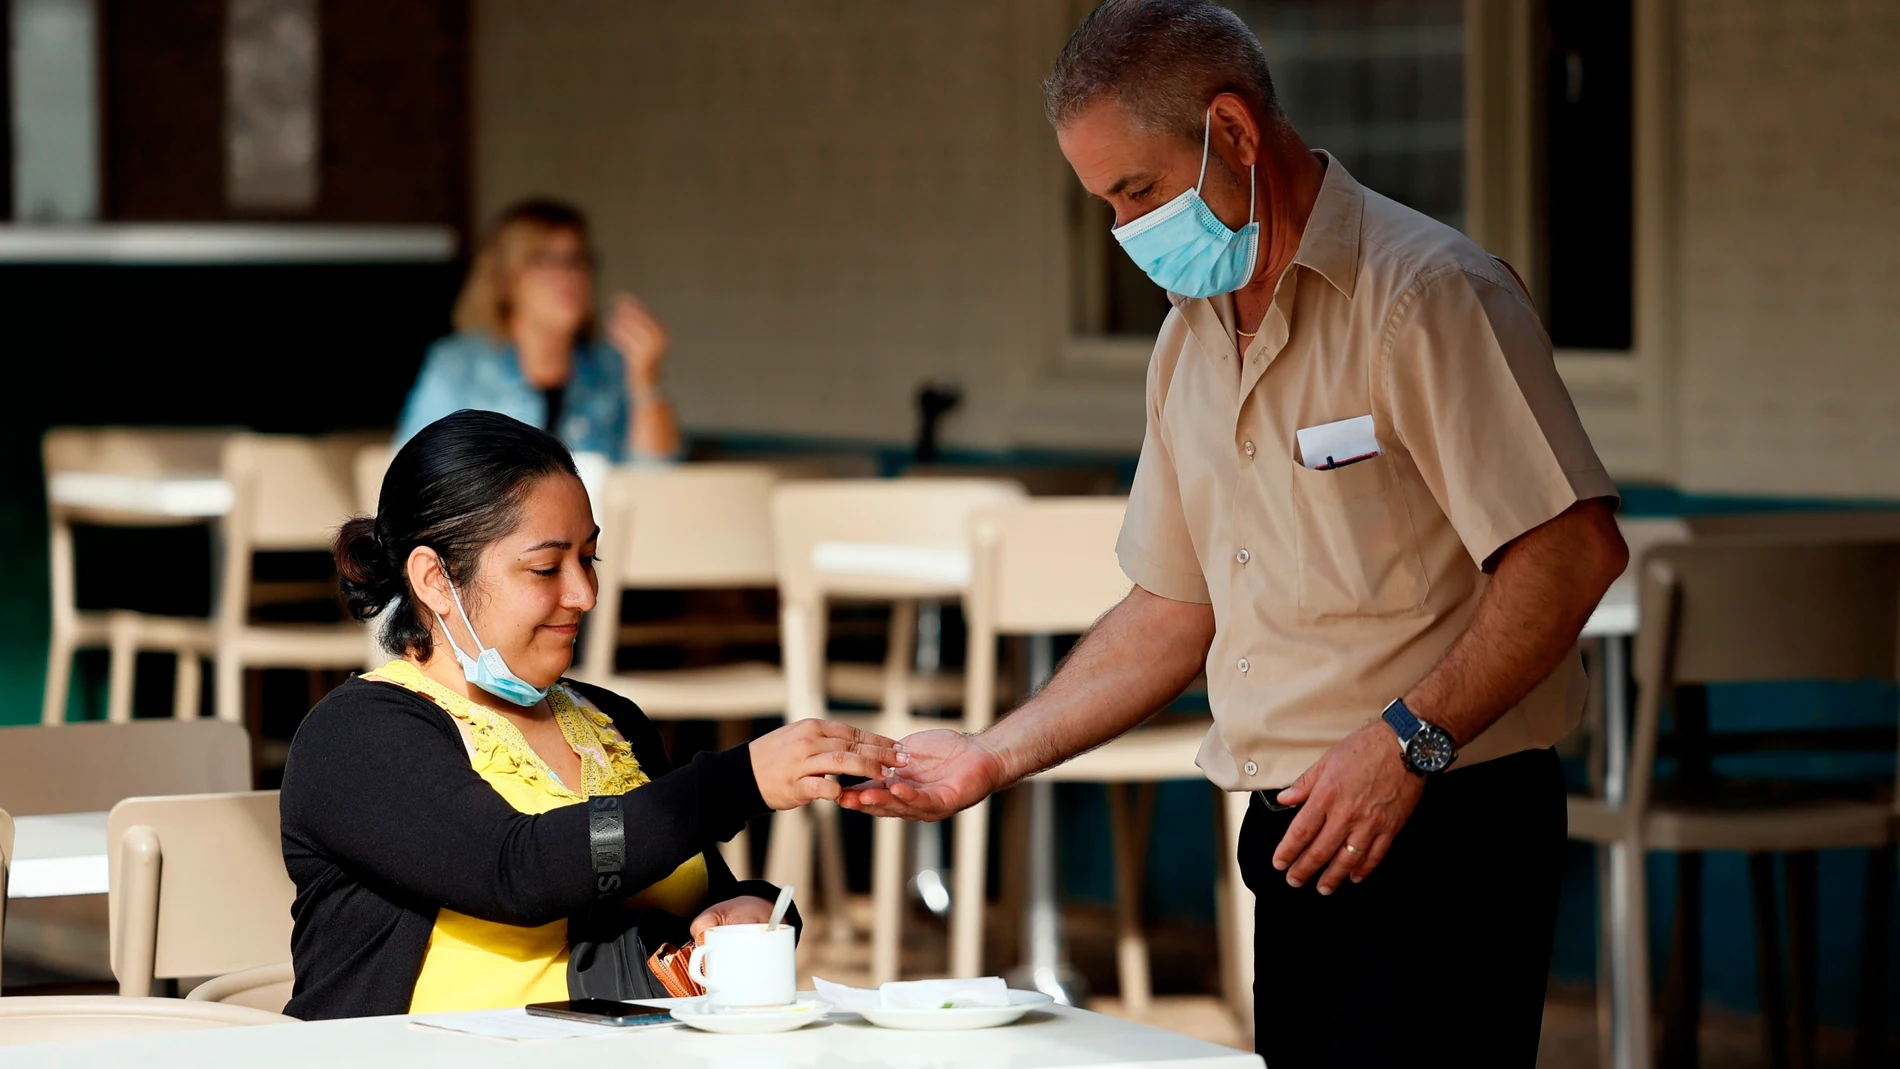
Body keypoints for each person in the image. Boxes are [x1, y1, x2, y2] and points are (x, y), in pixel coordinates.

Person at [840, 3, 1628, 1066]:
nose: (1127, 231)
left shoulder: (1428, 294)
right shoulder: (1187, 341)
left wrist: (1407, 742)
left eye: (1138, 191)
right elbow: (1173, 607)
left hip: (1443, 813)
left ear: (1235, 132)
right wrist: (989, 754)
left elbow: (1570, 550)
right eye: (1106, 206)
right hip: (1295, 829)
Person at [281, 410, 902, 1019]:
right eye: (547, 568)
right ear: (435, 579)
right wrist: (740, 781)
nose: (583, 594)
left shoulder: (609, 722)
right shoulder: (356, 737)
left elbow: (688, 878)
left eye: (589, 559)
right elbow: (517, 870)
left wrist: (750, 911)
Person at [394, 199, 682, 462]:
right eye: (543, 260)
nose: (568, 276)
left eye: (576, 260)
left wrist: (646, 381)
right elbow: (410, 476)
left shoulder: (611, 367)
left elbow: (654, 478)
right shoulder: (458, 367)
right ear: (506, 279)